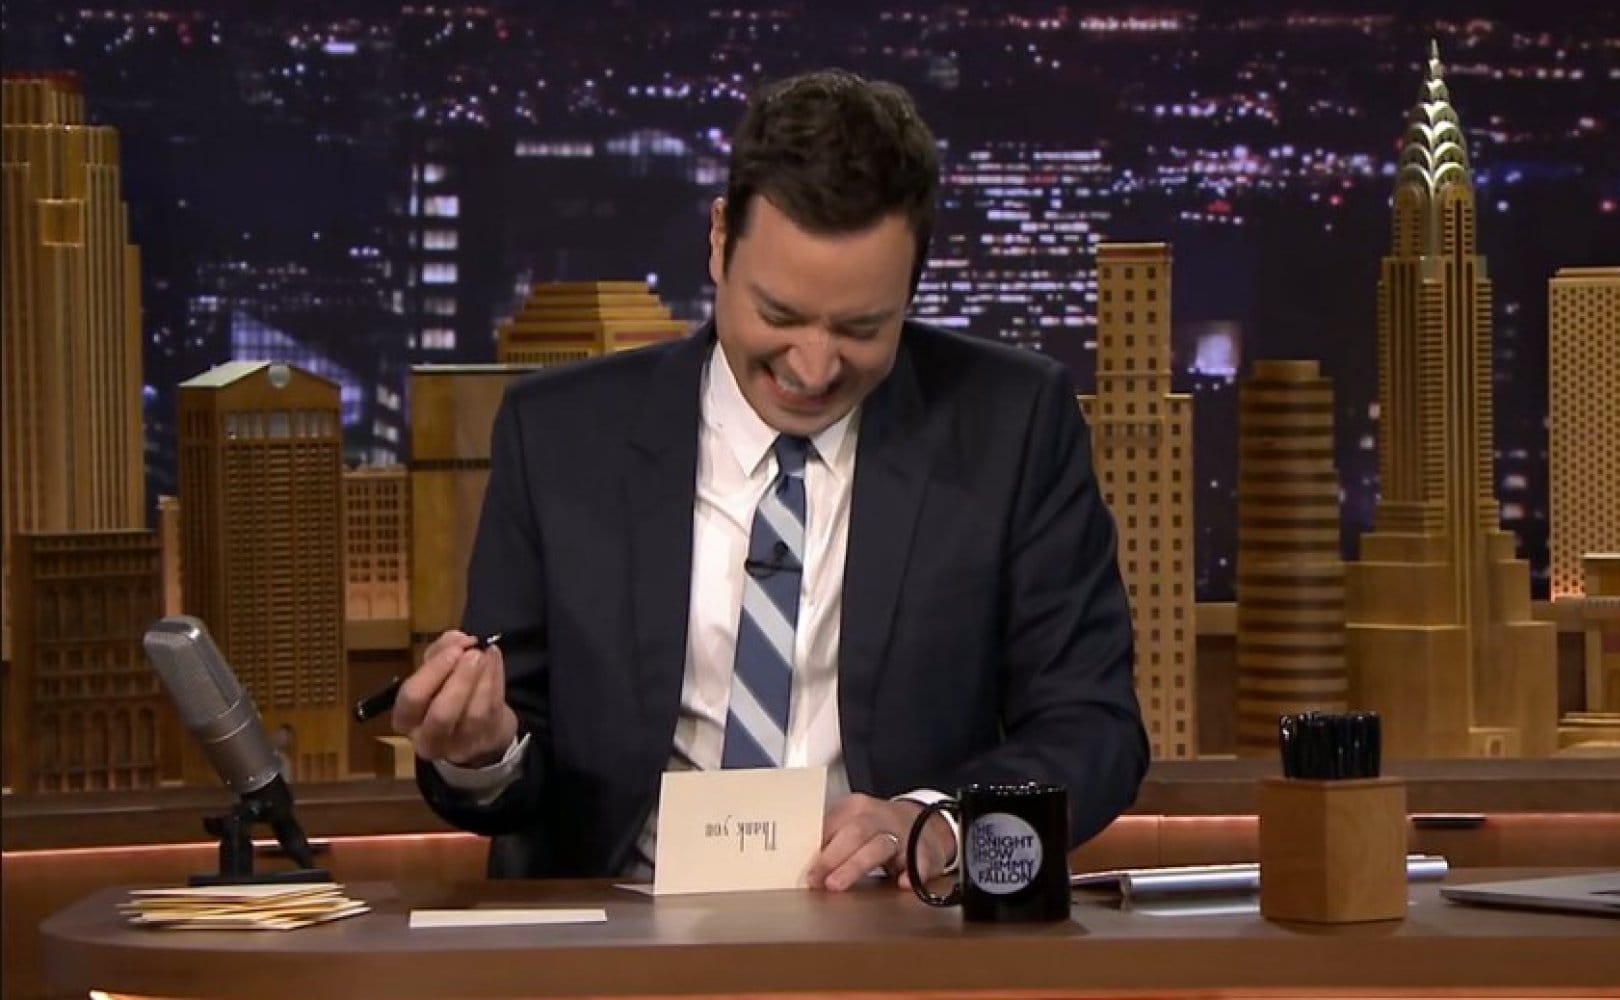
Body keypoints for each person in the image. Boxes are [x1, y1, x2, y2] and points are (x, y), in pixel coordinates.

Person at [394, 69, 1149, 888]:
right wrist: (482, 750)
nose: (813, 367)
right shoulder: (561, 437)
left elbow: (1093, 727)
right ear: (720, 241)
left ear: (913, 285)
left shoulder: (1012, 425)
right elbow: (514, 761)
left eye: (860, 327)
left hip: (889, 931)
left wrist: (939, 825)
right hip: (619, 930)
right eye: (780, 316)